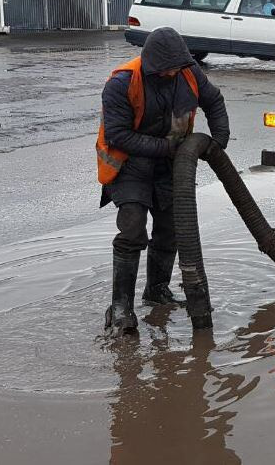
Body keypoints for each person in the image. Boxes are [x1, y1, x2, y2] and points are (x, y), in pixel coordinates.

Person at [96, 27, 230, 338]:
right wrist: (170, 149)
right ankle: (120, 307)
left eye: (177, 67)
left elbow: (214, 101)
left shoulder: (188, 72)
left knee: (171, 229)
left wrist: (217, 142)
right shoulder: (122, 83)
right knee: (132, 228)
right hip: (130, 164)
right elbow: (119, 135)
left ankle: (157, 292)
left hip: (170, 166)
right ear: (153, 65)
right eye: (167, 69)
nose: (173, 73)